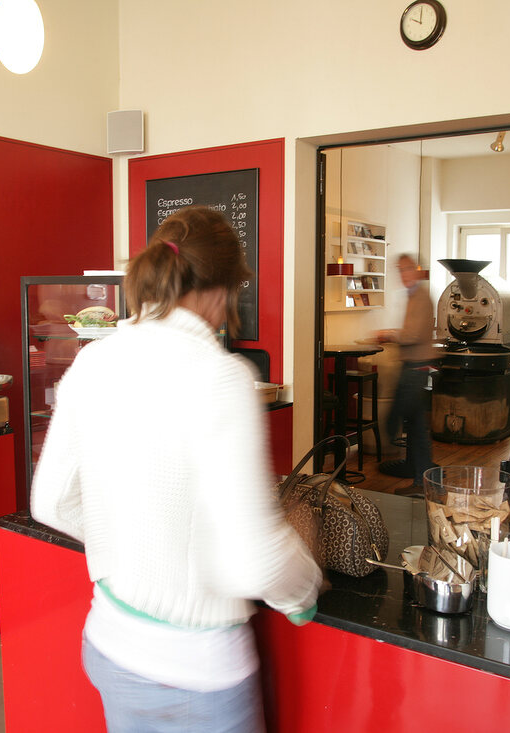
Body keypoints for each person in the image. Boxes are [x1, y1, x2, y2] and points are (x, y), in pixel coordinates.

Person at [31, 205, 322, 733]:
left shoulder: (94, 359)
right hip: (193, 674)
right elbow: (257, 559)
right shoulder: (220, 376)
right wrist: (303, 592)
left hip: (109, 644)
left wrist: (131, 545)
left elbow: (50, 501)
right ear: (227, 288)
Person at [377, 253, 439, 495]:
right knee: (415, 425)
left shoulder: (421, 297)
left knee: (403, 421)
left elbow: (412, 335)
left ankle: (422, 478)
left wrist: (389, 335)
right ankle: (422, 477)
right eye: (399, 271)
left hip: (416, 367)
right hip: (414, 366)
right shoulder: (415, 296)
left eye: (405, 270)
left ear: (414, 270)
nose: (403, 275)